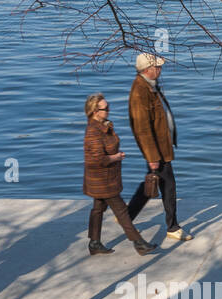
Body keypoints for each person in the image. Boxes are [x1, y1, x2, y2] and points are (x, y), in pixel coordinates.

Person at [125, 52, 193, 242]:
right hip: (157, 150)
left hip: (161, 147)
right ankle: (172, 227)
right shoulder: (140, 91)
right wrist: (152, 156)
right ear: (148, 69)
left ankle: (126, 217)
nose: (161, 69)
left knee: (153, 184)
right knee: (168, 186)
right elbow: (142, 128)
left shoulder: (150, 86)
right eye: (158, 67)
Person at [82, 93, 157, 256]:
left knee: (98, 208)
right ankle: (139, 243)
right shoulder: (94, 132)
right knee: (122, 210)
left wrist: (108, 127)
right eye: (105, 108)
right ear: (95, 111)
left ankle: (94, 243)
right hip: (103, 180)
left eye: (108, 107)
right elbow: (99, 159)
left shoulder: (103, 125)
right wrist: (116, 157)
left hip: (104, 178)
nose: (109, 110)